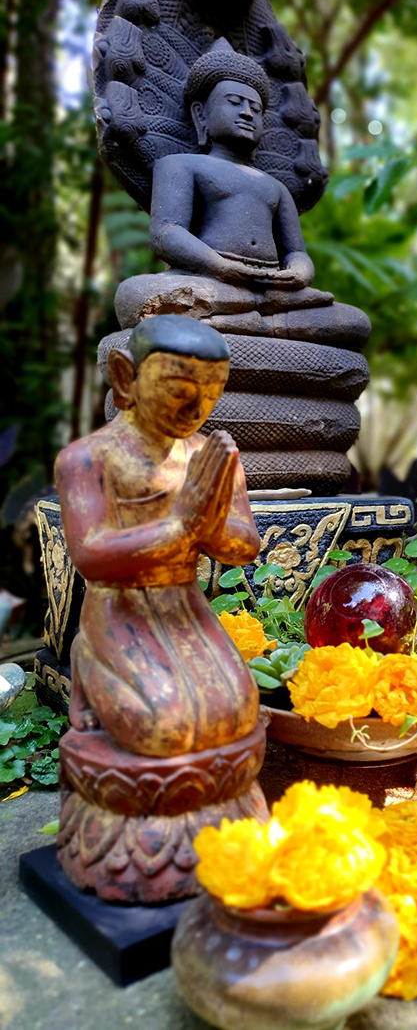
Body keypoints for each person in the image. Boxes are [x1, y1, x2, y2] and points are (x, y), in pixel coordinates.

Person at [56, 314, 261, 758]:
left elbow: (246, 544)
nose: (196, 411)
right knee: (165, 729)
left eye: (211, 395)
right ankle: (88, 661)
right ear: (125, 376)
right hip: (118, 603)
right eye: (179, 391)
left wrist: (210, 526)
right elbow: (89, 555)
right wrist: (181, 526)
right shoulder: (88, 459)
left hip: (182, 600)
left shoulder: (210, 455)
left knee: (238, 713)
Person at [114, 38, 327, 327]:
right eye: (234, 102)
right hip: (210, 282)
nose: (247, 113)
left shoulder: (276, 186)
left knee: (354, 323)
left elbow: (296, 252)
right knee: (134, 295)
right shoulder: (180, 164)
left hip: (273, 287)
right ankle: (260, 320)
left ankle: (236, 321)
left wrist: (299, 273)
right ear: (200, 114)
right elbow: (165, 233)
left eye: (255, 108)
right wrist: (221, 267)